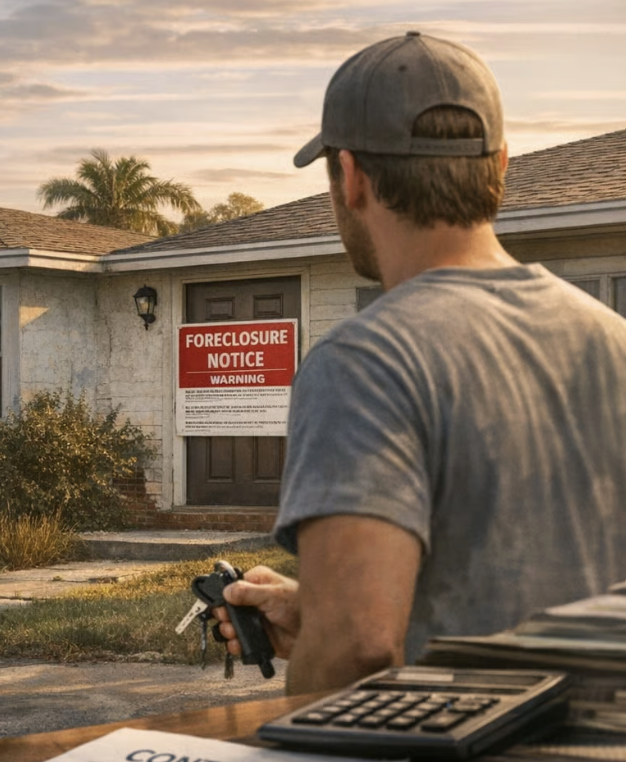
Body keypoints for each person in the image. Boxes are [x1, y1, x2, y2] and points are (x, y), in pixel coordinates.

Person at [215, 32, 626, 695]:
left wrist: (330, 638)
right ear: (501, 166)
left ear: (350, 178)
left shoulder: (364, 362)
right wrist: (315, 612)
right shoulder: (614, 341)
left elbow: (357, 647)